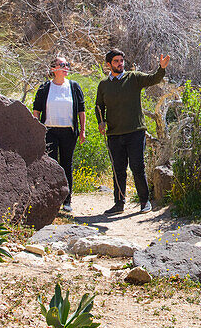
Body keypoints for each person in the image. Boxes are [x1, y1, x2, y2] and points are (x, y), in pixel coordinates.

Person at [95, 49, 170, 215]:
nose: (120, 64)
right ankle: (119, 203)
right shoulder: (104, 85)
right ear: (108, 65)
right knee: (118, 169)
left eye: (121, 60)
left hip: (135, 132)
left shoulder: (133, 78)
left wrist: (161, 68)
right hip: (114, 134)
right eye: (116, 61)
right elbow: (99, 106)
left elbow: (154, 79)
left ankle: (144, 202)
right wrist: (101, 122)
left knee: (137, 167)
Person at [32, 56, 85, 214]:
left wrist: (82, 130)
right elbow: (36, 110)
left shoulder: (74, 86)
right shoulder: (45, 88)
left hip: (69, 131)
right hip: (49, 131)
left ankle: (67, 200)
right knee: (51, 164)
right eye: (61, 65)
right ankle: (51, 199)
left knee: (67, 164)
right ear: (53, 69)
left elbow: (81, 110)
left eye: (67, 64)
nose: (65, 67)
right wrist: (35, 129)